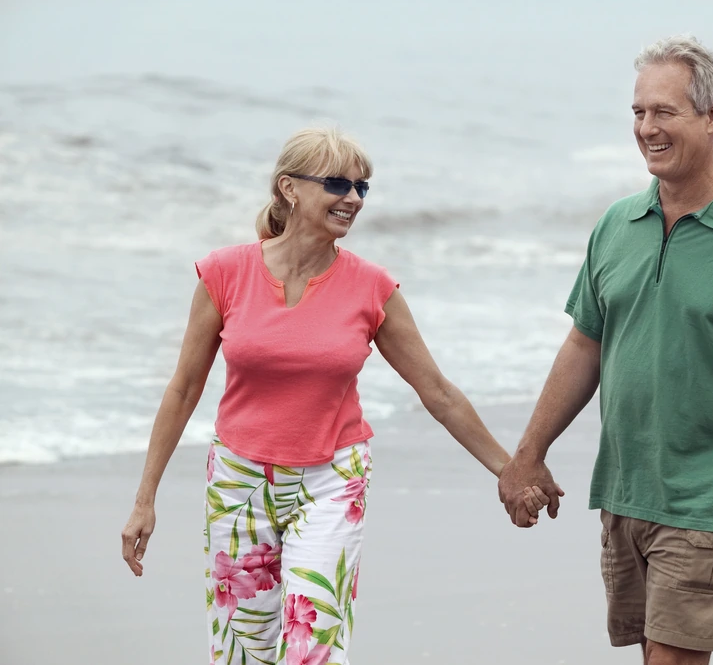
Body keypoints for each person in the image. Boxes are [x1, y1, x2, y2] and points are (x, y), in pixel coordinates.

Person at [120, 127, 544, 665]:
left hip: (332, 478)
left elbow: (437, 392)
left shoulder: (372, 288)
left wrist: (510, 470)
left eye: (362, 188)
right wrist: (144, 499)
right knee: (241, 650)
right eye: (339, 184)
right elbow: (183, 389)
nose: (353, 199)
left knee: (310, 648)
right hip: (239, 480)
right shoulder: (225, 273)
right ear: (289, 189)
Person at [498, 35, 713, 665]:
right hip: (627, 490)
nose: (646, 129)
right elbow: (584, 344)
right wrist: (528, 453)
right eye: (638, 113)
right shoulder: (616, 224)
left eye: (664, 112)